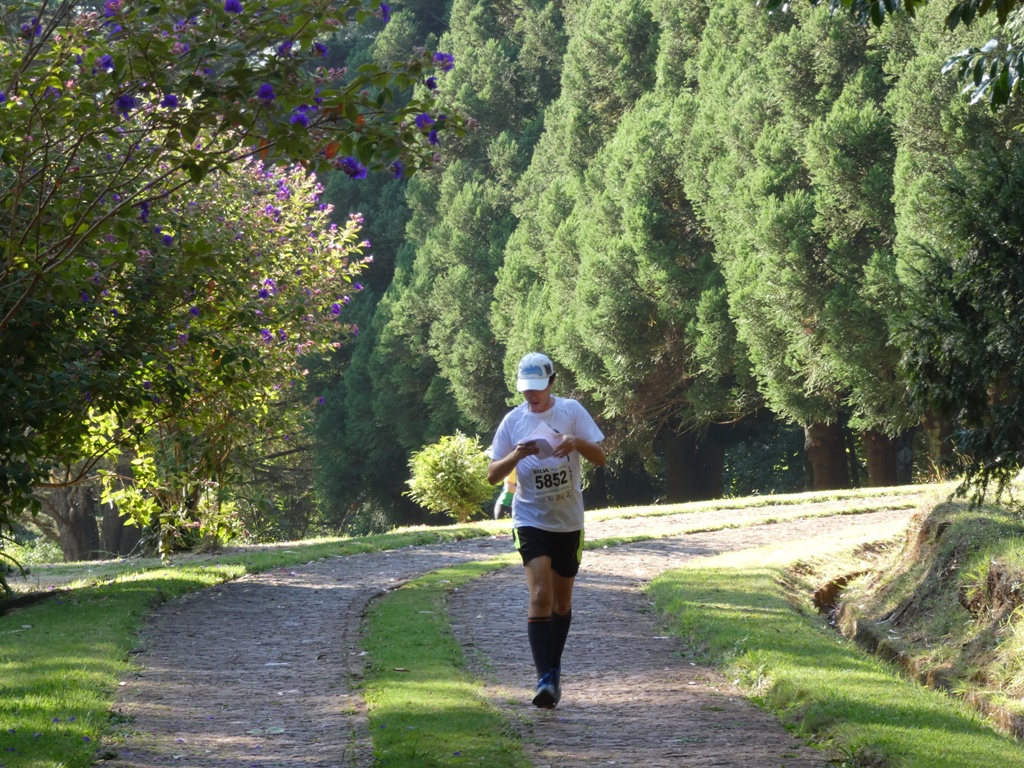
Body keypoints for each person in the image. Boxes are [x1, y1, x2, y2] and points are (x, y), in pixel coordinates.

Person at [486, 352, 606, 709]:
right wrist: (516, 456)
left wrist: (576, 442)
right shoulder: (513, 421)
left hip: (568, 521)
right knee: (540, 594)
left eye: (538, 387)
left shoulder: (571, 411)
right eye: (526, 389)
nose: (532, 395)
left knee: (561, 602)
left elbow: (600, 456)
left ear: (552, 382)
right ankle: (543, 679)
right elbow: (492, 474)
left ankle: (553, 671)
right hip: (530, 518)